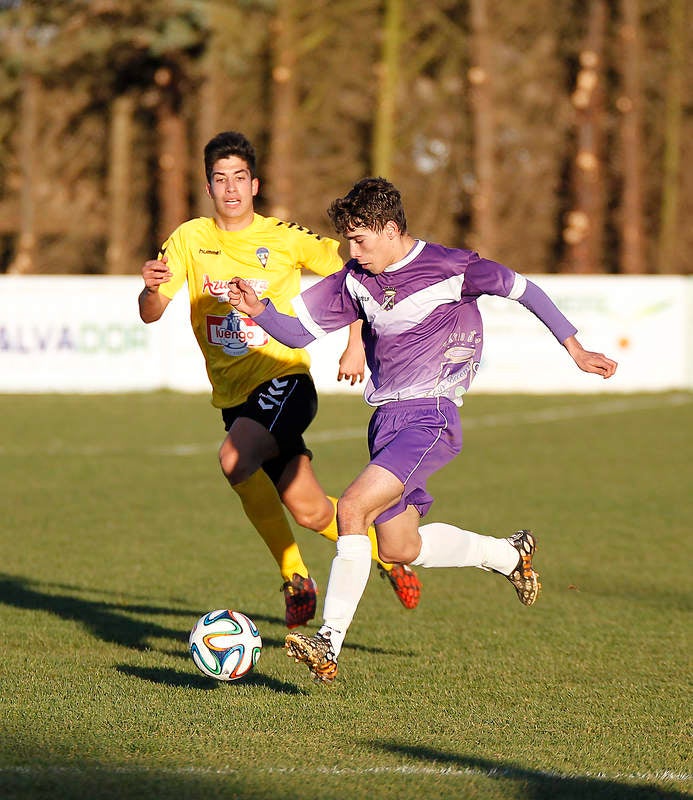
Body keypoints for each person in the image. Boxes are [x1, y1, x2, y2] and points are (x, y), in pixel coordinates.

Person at [228, 176, 618, 683]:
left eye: (360, 238)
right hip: (385, 420)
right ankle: (508, 554)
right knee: (398, 547)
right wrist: (257, 309)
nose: (352, 249)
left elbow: (526, 290)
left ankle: (328, 641)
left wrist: (576, 349)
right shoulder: (354, 280)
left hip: (429, 416)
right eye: (348, 238)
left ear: (391, 230)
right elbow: (298, 331)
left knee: (351, 508)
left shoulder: (452, 267)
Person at [138, 138, 422, 630]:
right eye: (220, 179)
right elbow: (151, 312)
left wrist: (355, 341)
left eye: (239, 177)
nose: (231, 188)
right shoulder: (188, 238)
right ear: (208, 186)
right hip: (234, 398)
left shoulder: (286, 237)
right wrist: (147, 287)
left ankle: (294, 576)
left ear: (255, 185)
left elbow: (354, 273)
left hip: (284, 379)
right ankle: (387, 552)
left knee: (233, 458)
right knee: (311, 512)